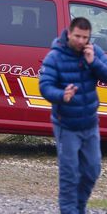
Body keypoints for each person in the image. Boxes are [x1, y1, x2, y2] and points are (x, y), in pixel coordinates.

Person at [39, 17, 107, 214]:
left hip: (90, 124)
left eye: (84, 37)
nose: (80, 41)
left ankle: (79, 208)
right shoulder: (55, 57)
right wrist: (62, 95)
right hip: (66, 125)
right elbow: (45, 86)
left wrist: (93, 63)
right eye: (77, 36)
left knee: (92, 171)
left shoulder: (94, 52)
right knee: (70, 176)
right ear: (69, 33)